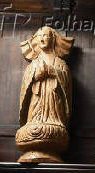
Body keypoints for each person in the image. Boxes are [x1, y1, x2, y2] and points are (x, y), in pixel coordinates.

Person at [15, 26, 74, 162]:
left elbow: (66, 83)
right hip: (36, 103)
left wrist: (54, 73)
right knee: (26, 132)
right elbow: (25, 86)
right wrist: (35, 75)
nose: (42, 38)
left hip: (53, 109)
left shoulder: (60, 63)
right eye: (39, 36)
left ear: (53, 39)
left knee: (57, 132)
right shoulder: (33, 65)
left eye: (46, 35)